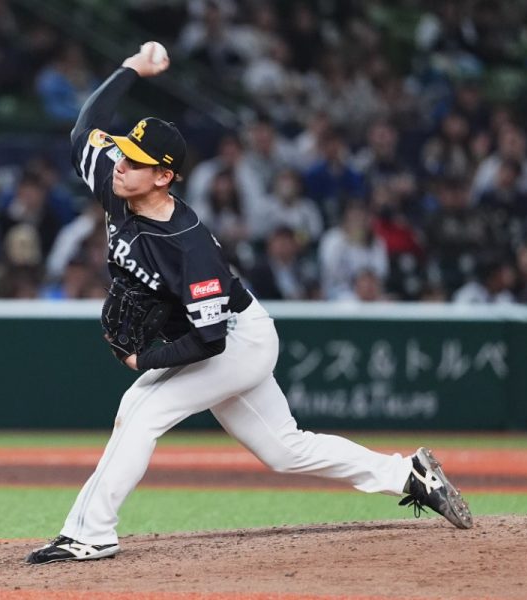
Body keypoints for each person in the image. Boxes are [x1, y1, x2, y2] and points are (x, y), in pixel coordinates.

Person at [25, 42, 473, 566]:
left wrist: (143, 360)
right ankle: (408, 473)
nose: (121, 165)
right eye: (124, 154)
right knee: (285, 449)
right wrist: (131, 68)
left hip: (236, 339)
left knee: (140, 410)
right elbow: (85, 128)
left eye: (136, 162)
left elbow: (209, 341)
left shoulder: (188, 246)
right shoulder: (114, 181)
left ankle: (90, 533)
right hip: (227, 336)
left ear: (164, 177)